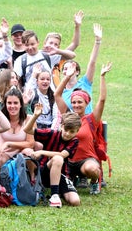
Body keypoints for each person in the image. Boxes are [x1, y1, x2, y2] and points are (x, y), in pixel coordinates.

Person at [56, 61, 112, 195]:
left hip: (86, 160)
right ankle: (71, 179)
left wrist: (102, 77)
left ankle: (94, 182)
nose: (76, 105)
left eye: (79, 102)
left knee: (92, 169)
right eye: (74, 102)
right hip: (68, 161)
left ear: (86, 103)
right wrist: (67, 77)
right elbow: (57, 95)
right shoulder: (68, 116)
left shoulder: (91, 119)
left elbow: (102, 100)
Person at [21, 104, 81, 207]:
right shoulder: (51, 133)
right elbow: (27, 130)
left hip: (60, 174)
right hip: (44, 171)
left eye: (72, 132)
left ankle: (59, 192)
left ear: (77, 131)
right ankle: (54, 196)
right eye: (66, 129)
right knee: (57, 159)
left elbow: (62, 154)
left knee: (75, 201)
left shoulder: (74, 141)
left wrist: (41, 152)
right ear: (61, 126)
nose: (67, 134)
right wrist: (35, 116)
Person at [0, 88, 34, 174]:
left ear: (21, 104)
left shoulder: (28, 119)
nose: (12, 106)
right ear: (5, 104)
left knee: (29, 152)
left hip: (22, 150)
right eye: (9, 103)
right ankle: (3, 179)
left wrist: (9, 143)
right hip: (3, 151)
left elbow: (30, 143)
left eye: (15, 103)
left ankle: (31, 178)